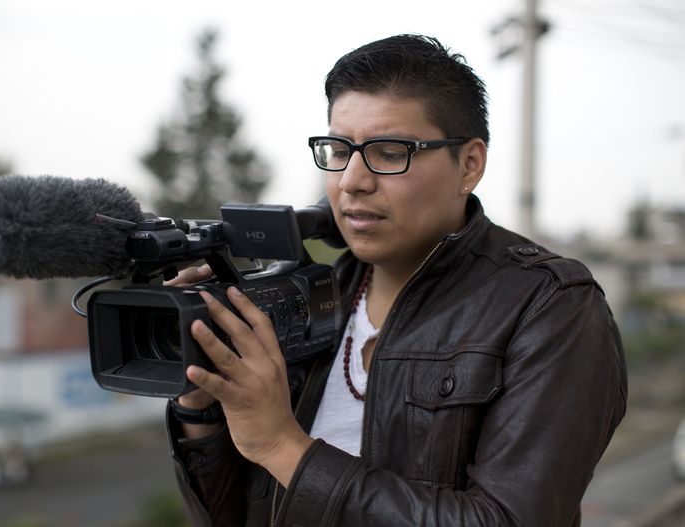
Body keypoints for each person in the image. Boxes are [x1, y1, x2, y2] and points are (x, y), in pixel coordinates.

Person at [164, 34, 627, 526]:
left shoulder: (549, 305)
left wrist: (284, 446)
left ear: (469, 163)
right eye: (338, 149)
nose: (352, 180)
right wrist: (200, 408)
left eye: (388, 151)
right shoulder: (310, 299)